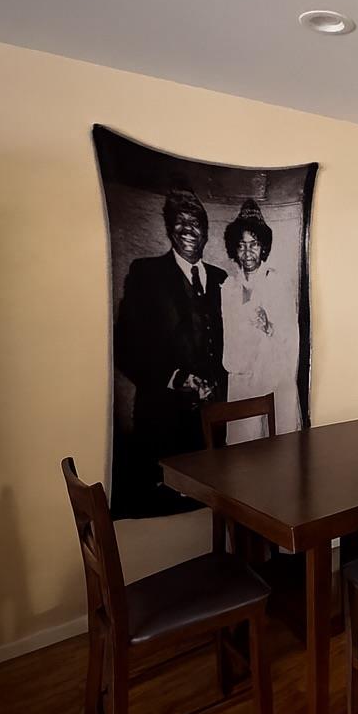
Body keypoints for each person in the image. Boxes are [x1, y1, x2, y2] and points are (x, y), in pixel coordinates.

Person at [113, 188, 227, 513]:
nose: (188, 229)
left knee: (213, 505)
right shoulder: (146, 274)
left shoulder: (222, 279)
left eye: (195, 223)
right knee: (168, 512)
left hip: (211, 423)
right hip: (162, 418)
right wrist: (175, 378)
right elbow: (124, 346)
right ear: (168, 229)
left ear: (206, 232)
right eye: (180, 222)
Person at [221, 199, 300, 440]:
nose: (247, 252)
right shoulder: (228, 288)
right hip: (242, 385)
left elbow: (291, 339)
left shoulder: (277, 283)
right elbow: (227, 340)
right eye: (242, 245)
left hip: (276, 383)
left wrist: (269, 327)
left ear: (263, 247)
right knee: (243, 459)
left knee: (279, 454)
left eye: (253, 244)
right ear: (234, 248)